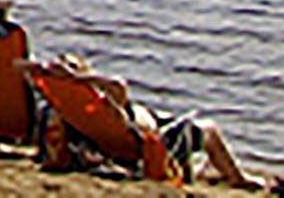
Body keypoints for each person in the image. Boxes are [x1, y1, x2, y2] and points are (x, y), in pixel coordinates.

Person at [18, 53, 267, 190]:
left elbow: (20, 66)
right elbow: (118, 84)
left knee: (180, 127)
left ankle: (210, 172)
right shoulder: (103, 99)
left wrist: (49, 72)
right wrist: (80, 78)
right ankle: (237, 179)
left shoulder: (67, 106)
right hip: (144, 144)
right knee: (209, 130)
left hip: (124, 137)